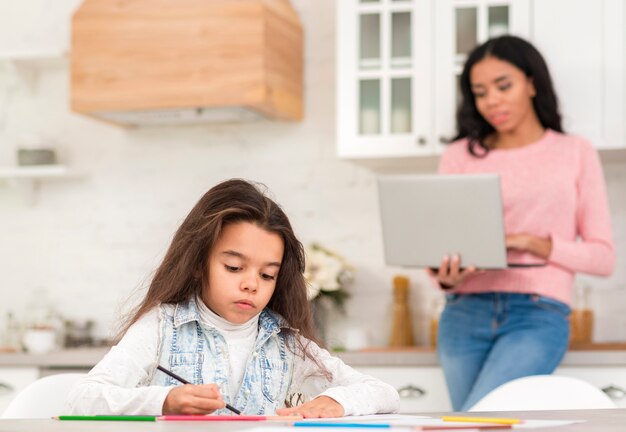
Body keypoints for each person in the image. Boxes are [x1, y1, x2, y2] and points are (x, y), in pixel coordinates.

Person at [65, 179, 399, 417]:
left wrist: (340, 401)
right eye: (234, 267)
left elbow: (385, 392)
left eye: (267, 274)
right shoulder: (161, 326)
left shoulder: (285, 342)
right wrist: (164, 400)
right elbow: (82, 399)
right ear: (199, 264)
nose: (252, 284)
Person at [430, 35, 615, 412]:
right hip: (463, 312)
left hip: (538, 312)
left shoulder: (574, 151)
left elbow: (603, 258)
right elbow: (443, 248)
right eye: (480, 92)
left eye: (503, 85)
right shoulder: (458, 155)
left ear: (532, 83)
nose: (492, 100)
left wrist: (531, 242)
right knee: (476, 423)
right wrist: (447, 276)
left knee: (479, 419)